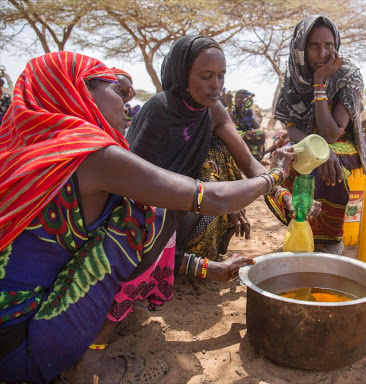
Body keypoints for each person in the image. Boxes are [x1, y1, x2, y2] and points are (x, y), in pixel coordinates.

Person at [0, 51, 296, 383]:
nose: (126, 102)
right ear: (81, 91)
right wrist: (274, 178)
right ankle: (86, 363)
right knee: (147, 210)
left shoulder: (25, 148)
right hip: (20, 351)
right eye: (116, 90)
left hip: (9, 327)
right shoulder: (93, 156)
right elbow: (208, 198)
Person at [127, 36, 321, 270]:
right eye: (206, 76)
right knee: (211, 163)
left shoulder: (213, 111)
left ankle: (192, 255)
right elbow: (136, 191)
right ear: (183, 74)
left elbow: (249, 164)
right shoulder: (160, 110)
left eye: (221, 75)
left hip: (190, 208)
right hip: (148, 220)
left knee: (219, 151)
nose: (216, 84)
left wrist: (285, 197)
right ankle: (181, 262)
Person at [273, 15, 366, 254]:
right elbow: (291, 128)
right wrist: (318, 148)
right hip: (311, 143)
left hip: (342, 146)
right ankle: (300, 224)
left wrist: (319, 83)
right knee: (286, 152)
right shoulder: (294, 76)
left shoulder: (348, 75)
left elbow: (331, 134)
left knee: (329, 160)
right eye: (314, 46)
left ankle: (331, 238)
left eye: (329, 45)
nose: (323, 53)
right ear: (301, 50)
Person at [231, 89, 267, 162]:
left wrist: (248, 109)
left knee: (260, 134)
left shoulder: (248, 110)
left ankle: (254, 160)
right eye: (237, 97)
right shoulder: (231, 109)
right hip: (233, 134)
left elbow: (256, 126)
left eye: (241, 98)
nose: (238, 100)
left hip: (244, 134)